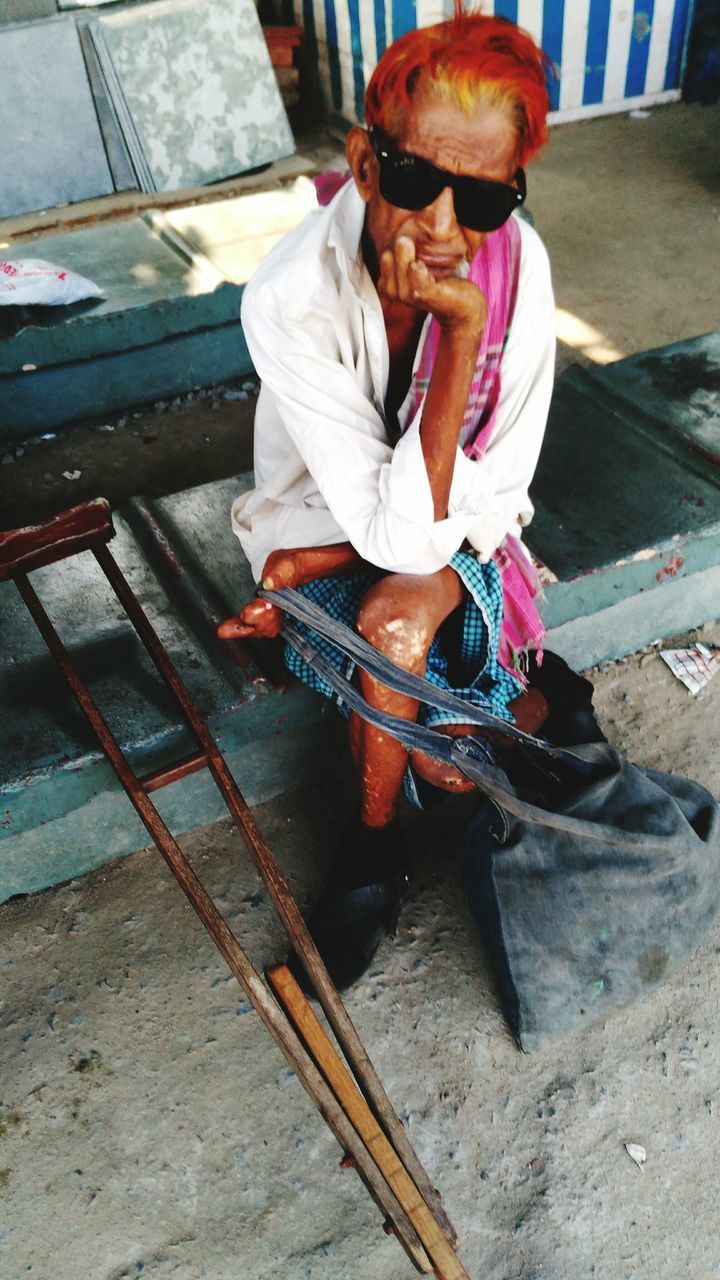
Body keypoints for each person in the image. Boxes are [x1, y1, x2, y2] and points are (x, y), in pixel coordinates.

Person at [219, 9, 559, 990]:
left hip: (456, 527)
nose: (444, 229)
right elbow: (387, 523)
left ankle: (388, 822)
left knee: (402, 614)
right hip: (334, 518)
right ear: (366, 163)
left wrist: (465, 328)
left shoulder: (519, 263)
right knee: (406, 644)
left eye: (484, 199)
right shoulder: (288, 296)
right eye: (414, 182)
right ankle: (382, 838)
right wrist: (460, 342)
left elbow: (508, 471)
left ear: (511, 193)